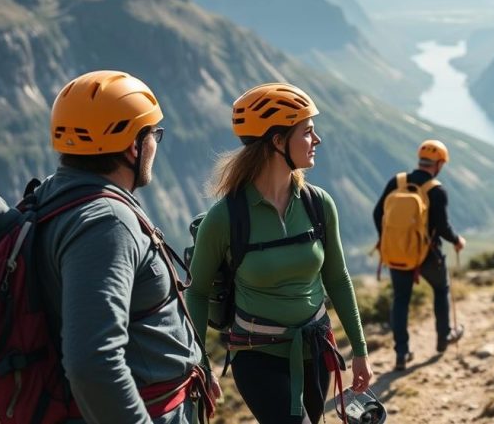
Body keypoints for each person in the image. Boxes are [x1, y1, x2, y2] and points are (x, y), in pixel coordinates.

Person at [36, 70, 217, 423]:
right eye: (153, 135)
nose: (155, 145)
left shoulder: (53, 196)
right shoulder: (107, 224)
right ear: (134, 145)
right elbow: (92, 360)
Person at [186, 83, 373, 424]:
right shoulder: (226, 217)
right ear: (277, 140)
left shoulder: (318, 204)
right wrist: (200, 365)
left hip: (316, 350)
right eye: (307, 132)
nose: (317, 141)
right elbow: (197, 293)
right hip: (257, 356)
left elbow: (337, 278)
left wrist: (359, 351)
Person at [373, 139, 466, 371]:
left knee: (401, 300)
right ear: (440, 163)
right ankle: (443, 337)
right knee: (440, 289)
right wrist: (457, 240)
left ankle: (401, 353)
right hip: (428, 255)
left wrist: (391, 242)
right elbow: (442, 227)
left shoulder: (397, 182)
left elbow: (377, 213)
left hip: (398, 254)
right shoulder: (436, 190)